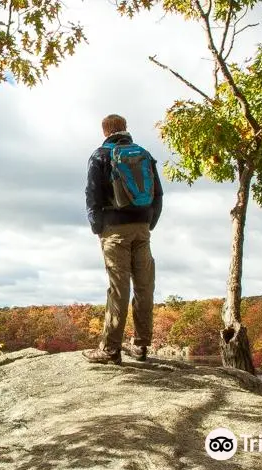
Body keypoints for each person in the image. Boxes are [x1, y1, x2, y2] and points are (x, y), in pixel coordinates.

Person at [82, 114, 163, 365]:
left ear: (105, 131)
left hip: (114, 229)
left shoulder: (99, 155)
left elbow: (92, 194)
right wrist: (149, 222)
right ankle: (141, 346)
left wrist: (98, 227)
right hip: (142, 228)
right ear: (125, 128)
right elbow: (158, 194)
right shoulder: (144, 154)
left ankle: (110, 349)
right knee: (144, 286)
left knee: (119, 288)